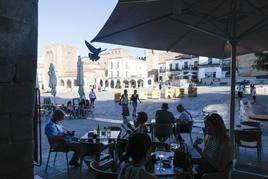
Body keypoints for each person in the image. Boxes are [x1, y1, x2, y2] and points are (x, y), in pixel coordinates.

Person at [193, 113, 234, 179]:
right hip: (204, 169)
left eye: (208, 126)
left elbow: (220, 168)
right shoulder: (209, 136)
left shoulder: (225, 144)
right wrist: (195, 147)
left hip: (212, 175)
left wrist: (204, 156)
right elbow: (205, 158)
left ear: (217, 127)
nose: (205, 128)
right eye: (205, 125)